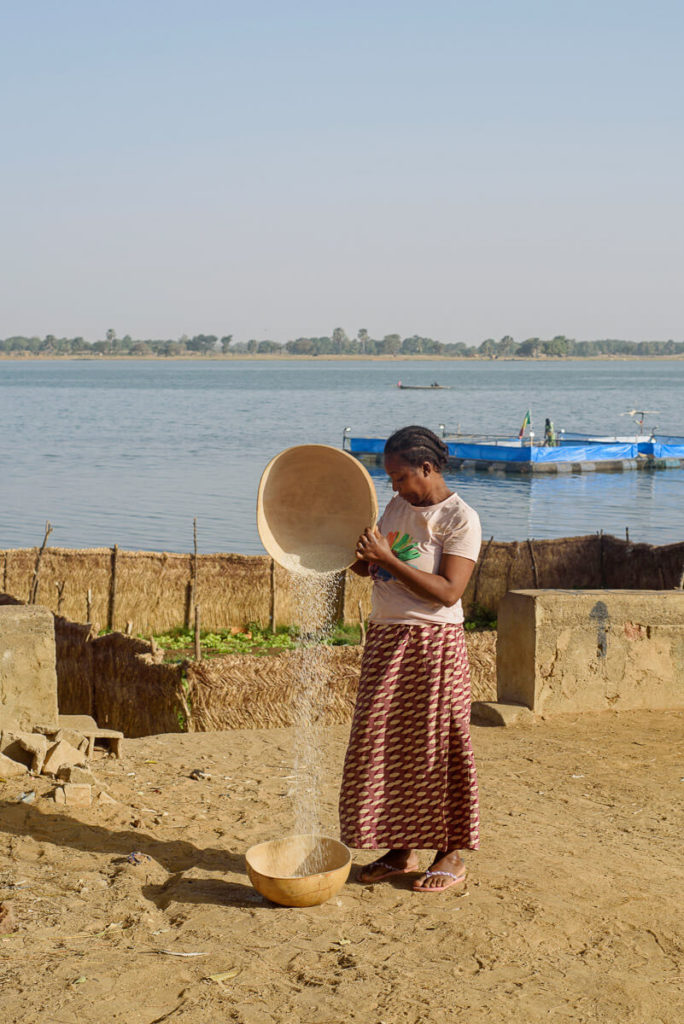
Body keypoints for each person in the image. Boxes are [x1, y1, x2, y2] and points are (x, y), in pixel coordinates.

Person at [339, 425, 482, 893]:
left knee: (438, 749)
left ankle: (451, 854)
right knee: (386, 746)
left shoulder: (460, 518)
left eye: (399, 476)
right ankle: (401, 848)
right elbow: (374, 566)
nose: (393, 487)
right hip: (386, 639)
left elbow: (448, 593)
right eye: (390, 479)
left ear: (427, 468)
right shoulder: (398, 507)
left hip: (434, 646)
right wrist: (349, 549)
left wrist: (388, 558)